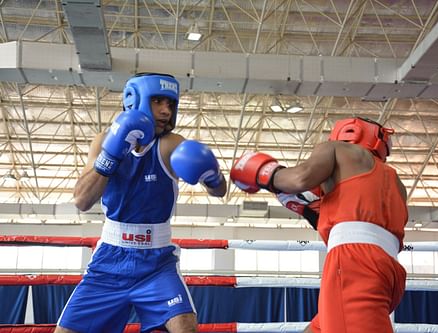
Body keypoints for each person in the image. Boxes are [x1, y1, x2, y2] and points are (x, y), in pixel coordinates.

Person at [56, 73, 227, 333]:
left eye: (170, 104)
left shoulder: (172, 145)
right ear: (134, 101)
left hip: (157, 264)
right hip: (108, 262)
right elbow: (82, 200)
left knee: (185, 326)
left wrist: (212, 176)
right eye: (157, 101)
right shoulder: (104, 141)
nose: (165, 111)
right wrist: (111, 155)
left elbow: (219, 191)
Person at [230, 117, 408, 333]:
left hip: (355, 265)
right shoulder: (396, 183)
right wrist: (310, 211)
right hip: (390, 272)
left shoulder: (336, 150)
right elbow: (358, 222)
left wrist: (266, 173)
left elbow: (300, 178)